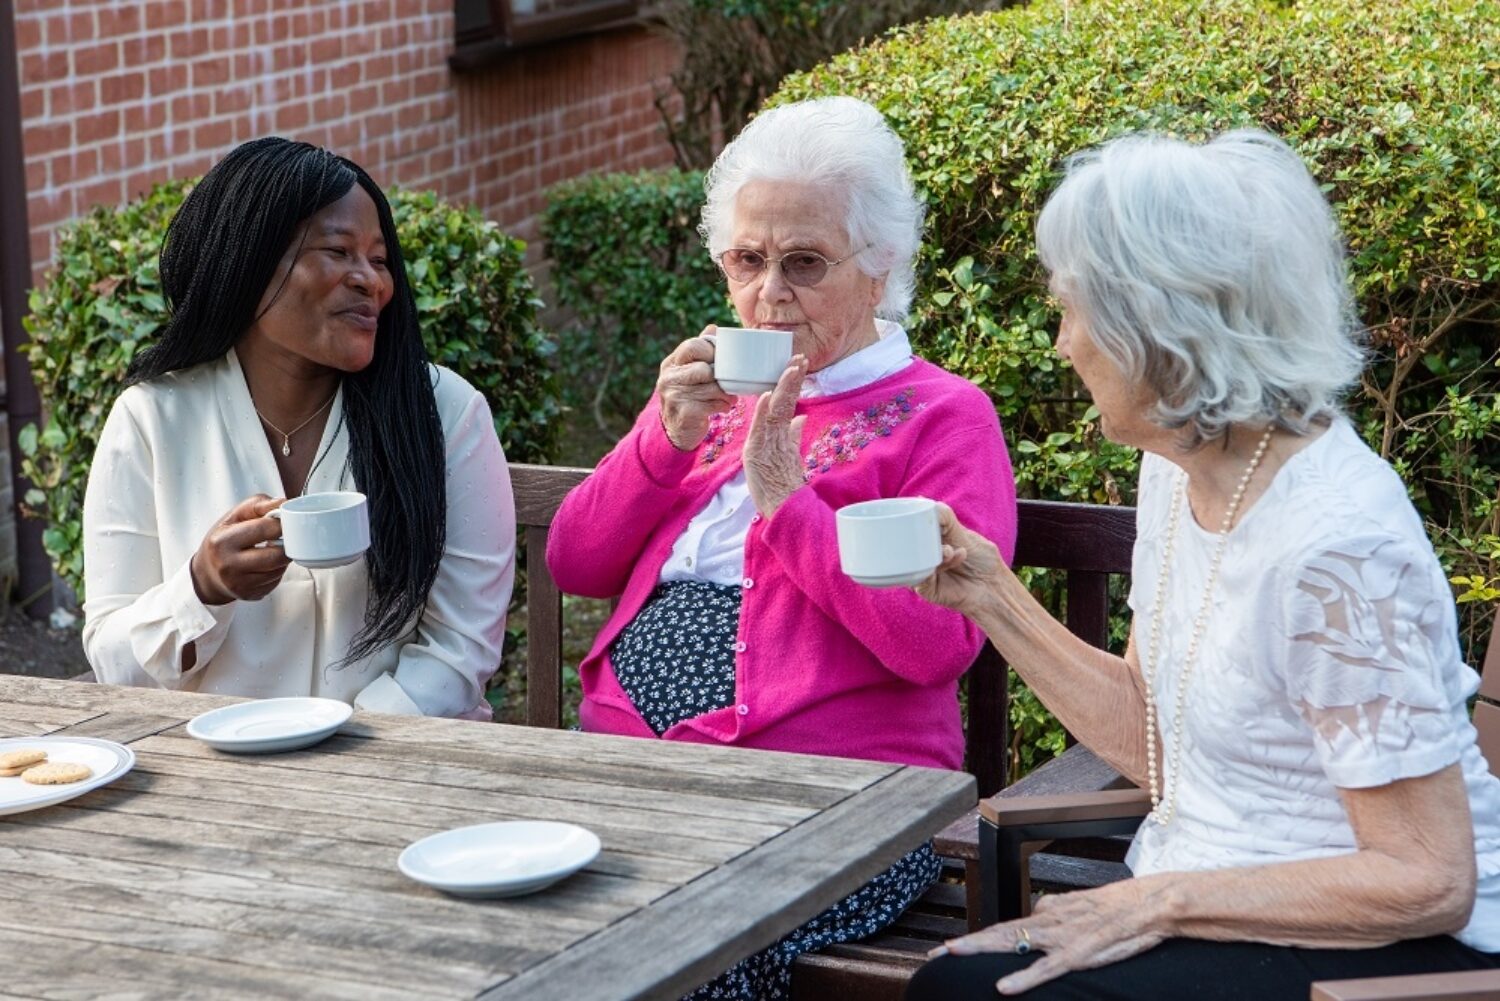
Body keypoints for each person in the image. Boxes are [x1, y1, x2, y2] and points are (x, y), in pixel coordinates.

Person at [906, 129, 1500, 999]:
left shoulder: (1338, 546)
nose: (1064, 343)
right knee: (963, 982)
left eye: (1075, 310)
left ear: (1161, 326)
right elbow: (1152, 741)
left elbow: (1424, 877)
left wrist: (1160, 902)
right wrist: (992, 595)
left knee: (967, 994)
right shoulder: (1180, 467)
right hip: (1213, 895)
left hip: (1374, 944)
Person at [546, 96, 1017, 998]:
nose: (769, 292)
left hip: (834, 805)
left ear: (879, 268)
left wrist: (785, 499)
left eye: (803, 262)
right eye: (747, 260)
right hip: (625, 779)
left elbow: (937, 643)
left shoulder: (944, 417)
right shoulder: (710, 394)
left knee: (678, 950)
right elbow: (576, 562)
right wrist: (664, 439)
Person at [82, 138, 514, 719]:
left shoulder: (445, 413)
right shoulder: (151, 420)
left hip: (403, 769)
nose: (371, 282)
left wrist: (341, 746)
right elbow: (114, 665)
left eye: (380, 259)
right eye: (338, 250)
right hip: (214, 771)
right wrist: (202, 587)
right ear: (248, 263)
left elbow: (459, 653)